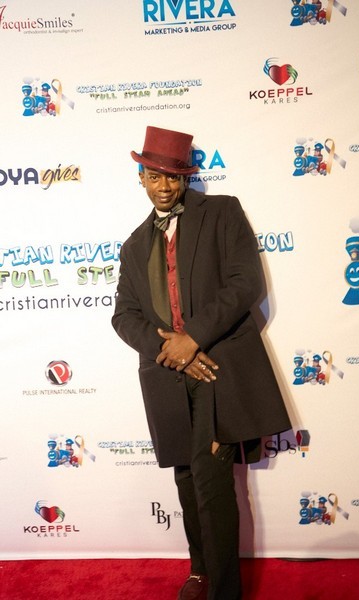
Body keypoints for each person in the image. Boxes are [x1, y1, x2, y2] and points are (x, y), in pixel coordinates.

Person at [112, 126, 291, 600]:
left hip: (217, 368)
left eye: (173, 177)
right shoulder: (133, 245)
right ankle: (199, 570)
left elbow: (245, 282)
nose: (164, 186)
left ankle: (224, 592)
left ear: (186, 177)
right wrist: (170, 350)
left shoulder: (223, 212)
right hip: (167, 376)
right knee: (187, 479)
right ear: (141, 178)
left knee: (211, 481)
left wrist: (192, 340)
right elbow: (123, 316)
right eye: (154, 176)